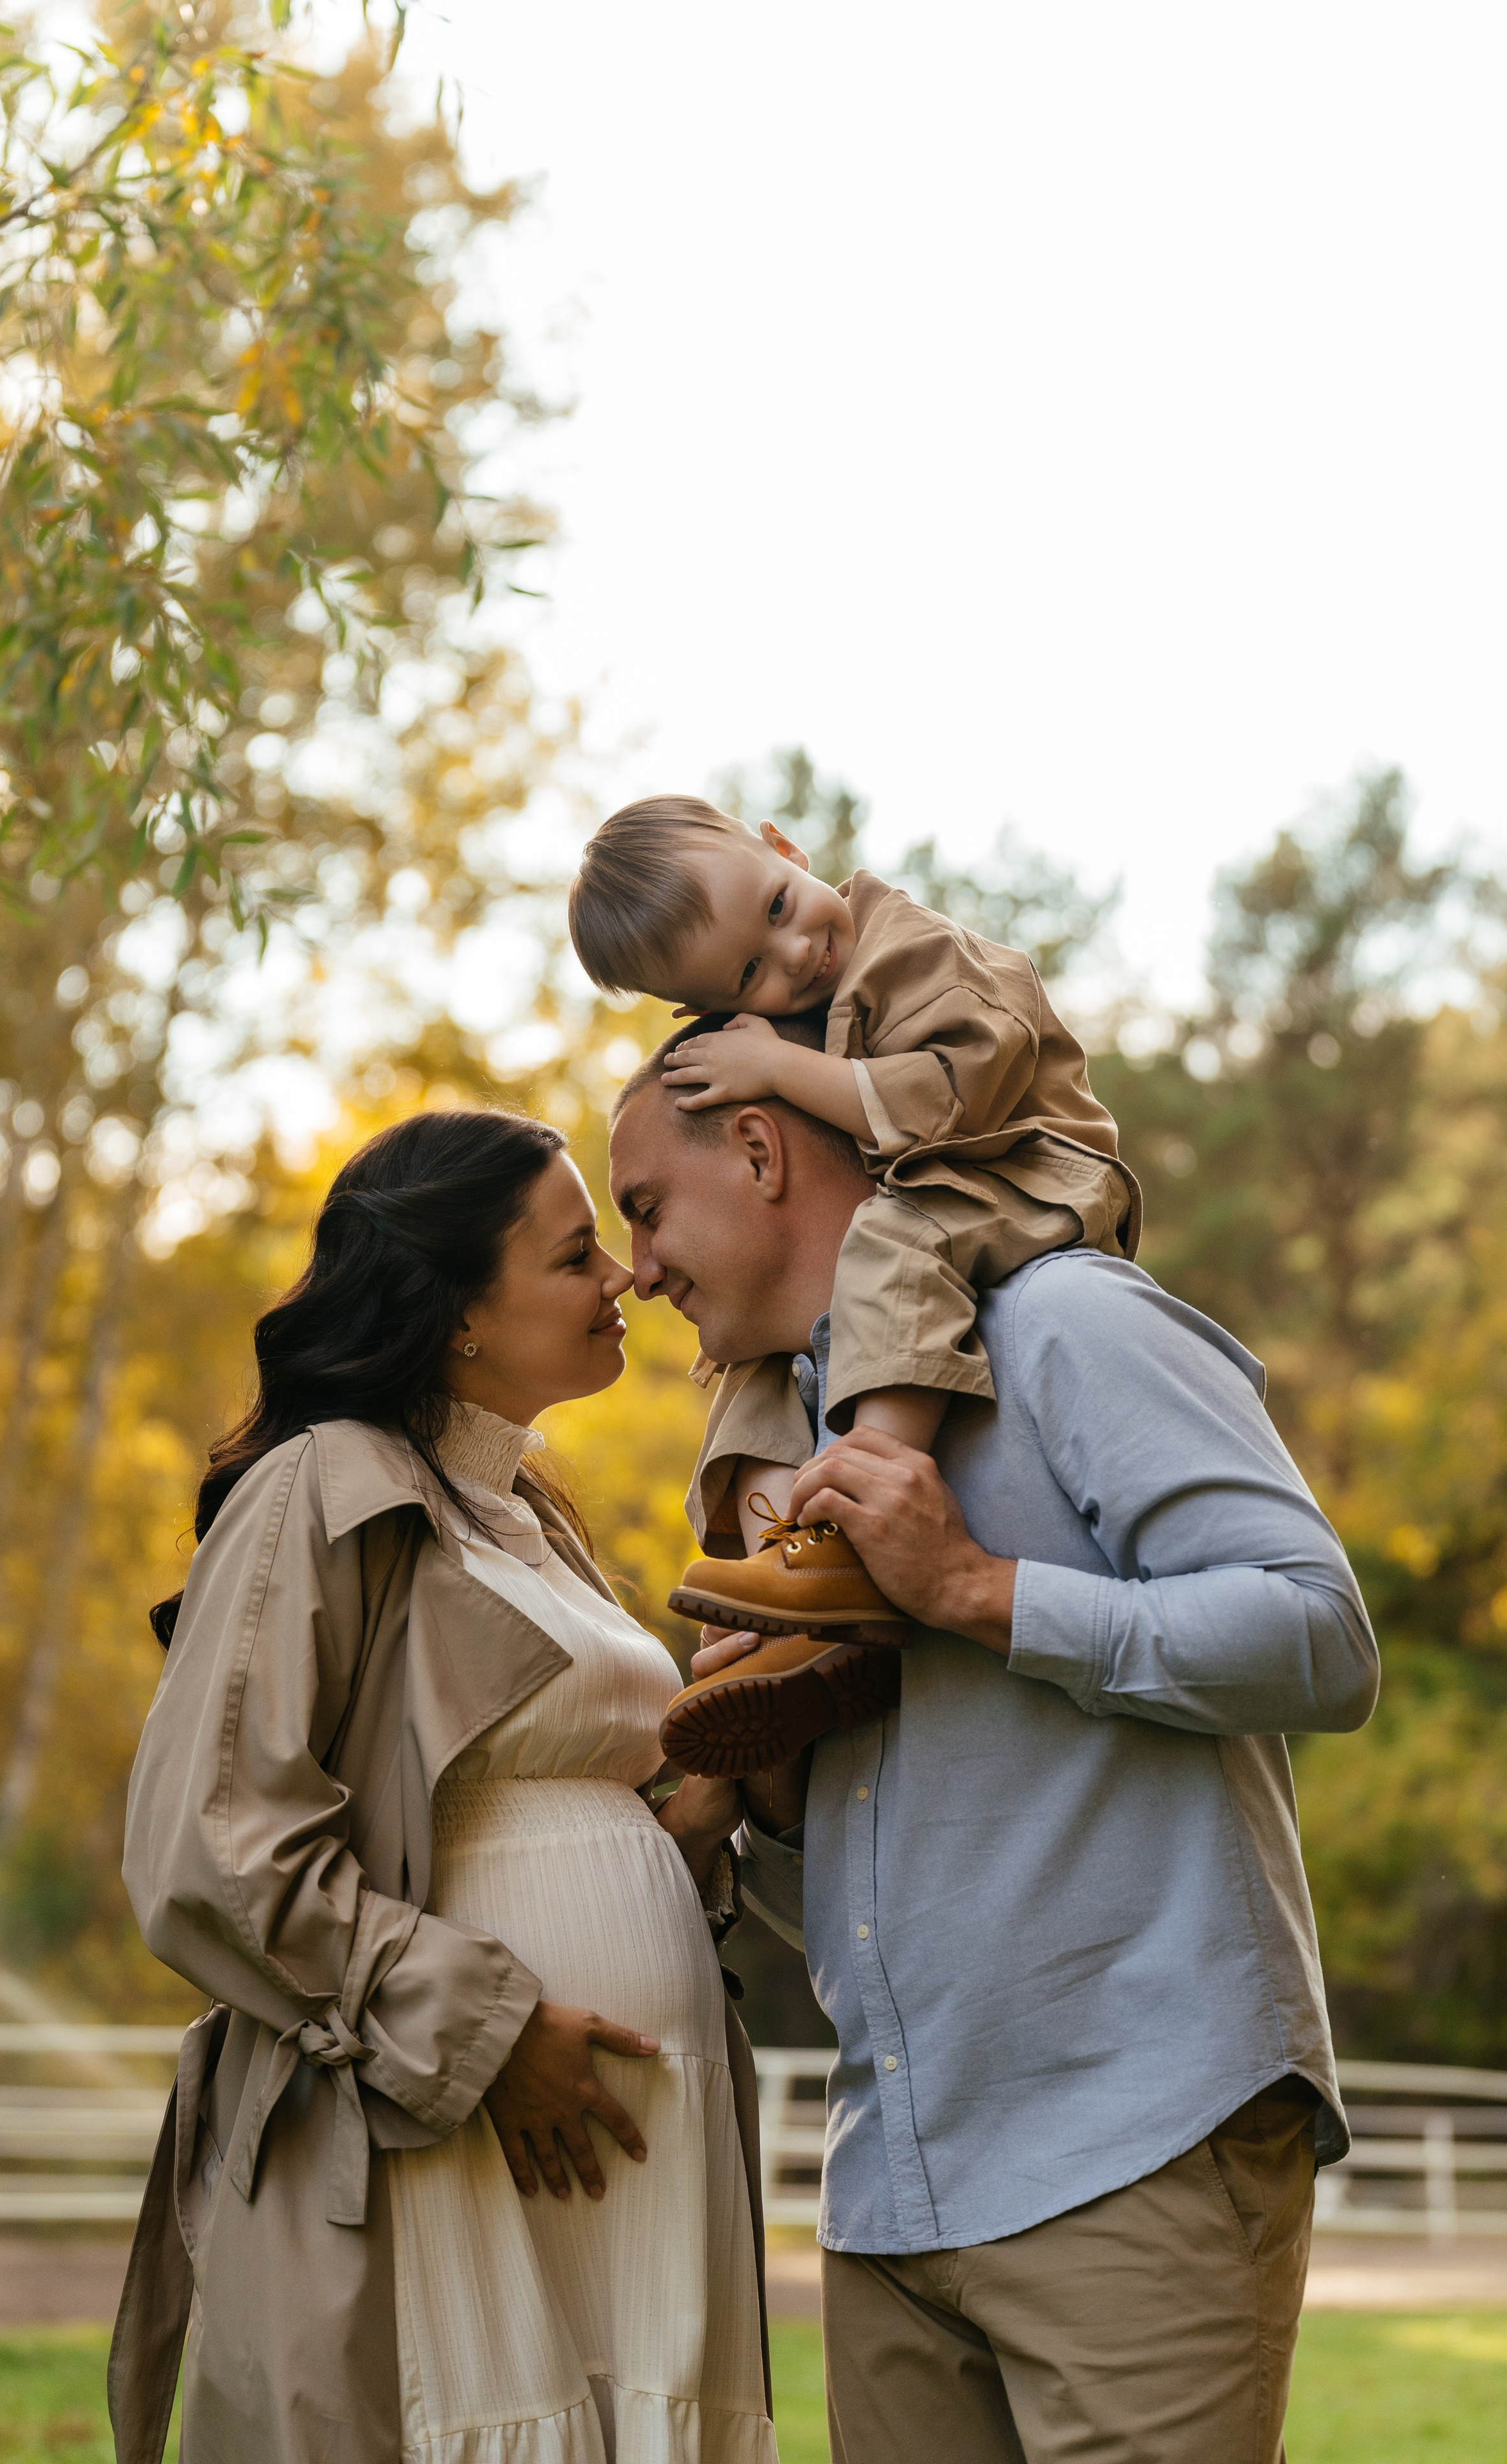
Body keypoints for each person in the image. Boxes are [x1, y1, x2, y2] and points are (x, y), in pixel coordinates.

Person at [607, 1015, 1380, 2464]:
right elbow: (869, 1881)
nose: (635, 1267)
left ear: (761, 1149)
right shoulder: (770, 1463)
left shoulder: (1068, 1325)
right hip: (889, 2198)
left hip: (1135, 2154)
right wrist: (762, 1791)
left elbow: (1320, 1638)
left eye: (645, 1208)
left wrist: (975, 1592)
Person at [110, 1110, 776, 2464]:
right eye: (575, 1256)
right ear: (460, 1310)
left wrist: (694, 1819)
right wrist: (485, 2035)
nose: (626, 1279)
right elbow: (212, 1848)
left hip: (632, 2156)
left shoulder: (529, 1516)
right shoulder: (320, 1491)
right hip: (445, 2128)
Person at [569, 796, 1138, 1767]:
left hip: (1032, 1172)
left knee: (891, 1240)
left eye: (782, 906)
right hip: (937, 1191)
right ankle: (789, 1585)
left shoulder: (909, 947)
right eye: (750, 971)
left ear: (784, 848)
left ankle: (859, 1514)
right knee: (747, 1366)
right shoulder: (790, 1010)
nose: (795, 956)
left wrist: (779, 1073)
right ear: (712, 1001)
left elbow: (958, 1094)